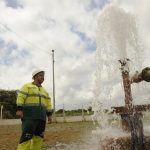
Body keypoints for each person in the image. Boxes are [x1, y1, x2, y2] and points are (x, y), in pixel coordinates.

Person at [16, 69, 53, 150]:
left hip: (41, 119)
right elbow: (20, 97)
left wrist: (49, 115)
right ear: (35, 76)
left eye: (43, 76)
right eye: (41, 75)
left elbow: (48, 104)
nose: (43, 77)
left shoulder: (45, 92)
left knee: (39, 138)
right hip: (29, 117)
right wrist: (19, 109)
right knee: (26, 137)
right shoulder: (27, 86)